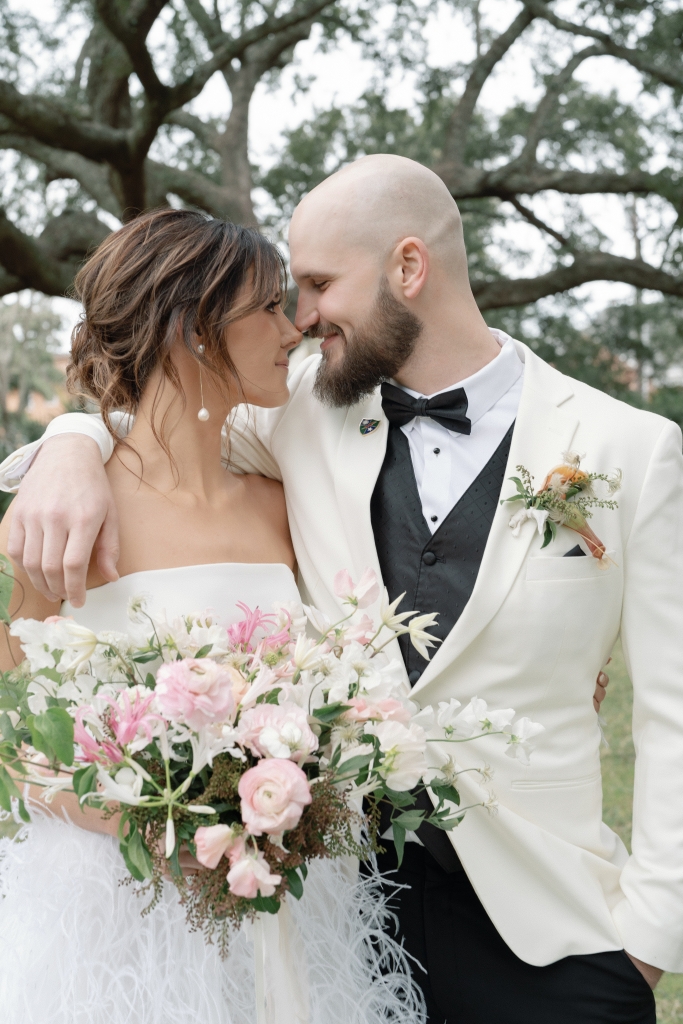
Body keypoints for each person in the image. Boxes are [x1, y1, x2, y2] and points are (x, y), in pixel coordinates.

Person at [0, 155, 675, 1024]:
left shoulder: (631, 447)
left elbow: (673, 713)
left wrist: (650, 941)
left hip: (550, 933)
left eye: (317, 284)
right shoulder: (300, 414)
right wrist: (69, 440)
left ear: (406, 267)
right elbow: (165, 418)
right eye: (286, 296)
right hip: (340, 917)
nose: (302, 317)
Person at [0, 208, 425, 1024]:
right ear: (193, 326)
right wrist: (146, 818)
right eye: (267, 305)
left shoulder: (281, 506)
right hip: (115, 914)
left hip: (286, 900)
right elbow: (10, 733)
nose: (294, 326)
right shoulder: (57, 516)